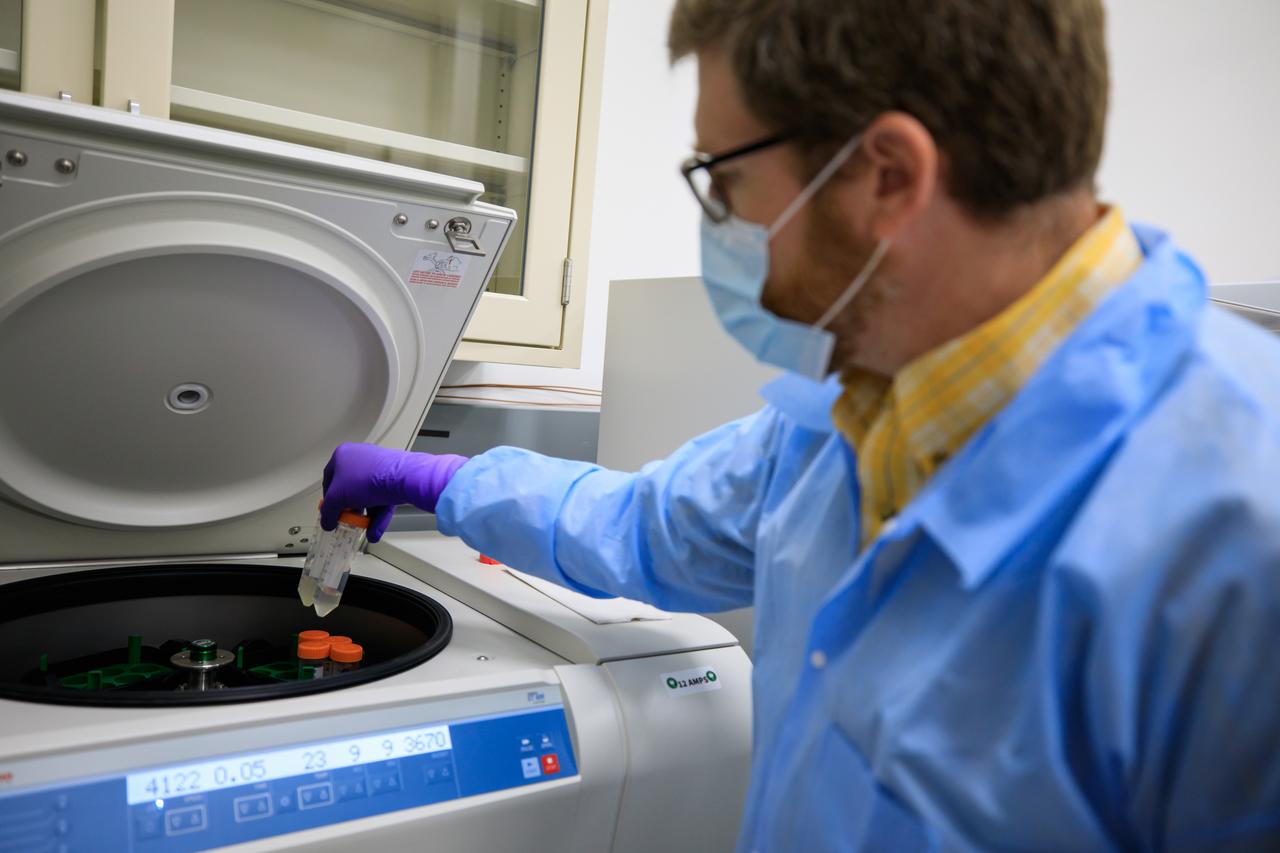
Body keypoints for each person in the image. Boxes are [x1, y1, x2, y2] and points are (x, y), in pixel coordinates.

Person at [321, 1, 1280, 848]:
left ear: (888, 177)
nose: (719, 221)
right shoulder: (850, 410)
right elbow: (648, 525)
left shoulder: (1238, 538)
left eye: (724, 180)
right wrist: (444, 482)